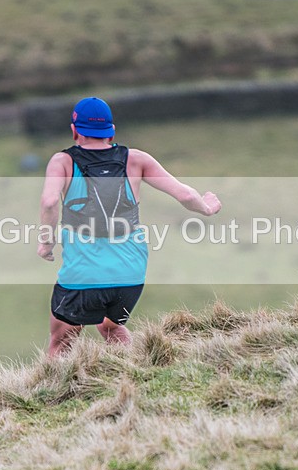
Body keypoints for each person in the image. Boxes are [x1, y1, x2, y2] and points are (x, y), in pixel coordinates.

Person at [38, 97, 221, 356]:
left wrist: (47, 242)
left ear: (74, 130)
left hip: (83, 277)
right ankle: (136, 374)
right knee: (111, 328)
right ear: (111, 131)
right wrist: (207, 206)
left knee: (61, 341)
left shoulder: (63, 162)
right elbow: (186, 196)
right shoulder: (136, 159)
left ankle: (51, 394)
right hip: (130, 276)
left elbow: (48, 201)